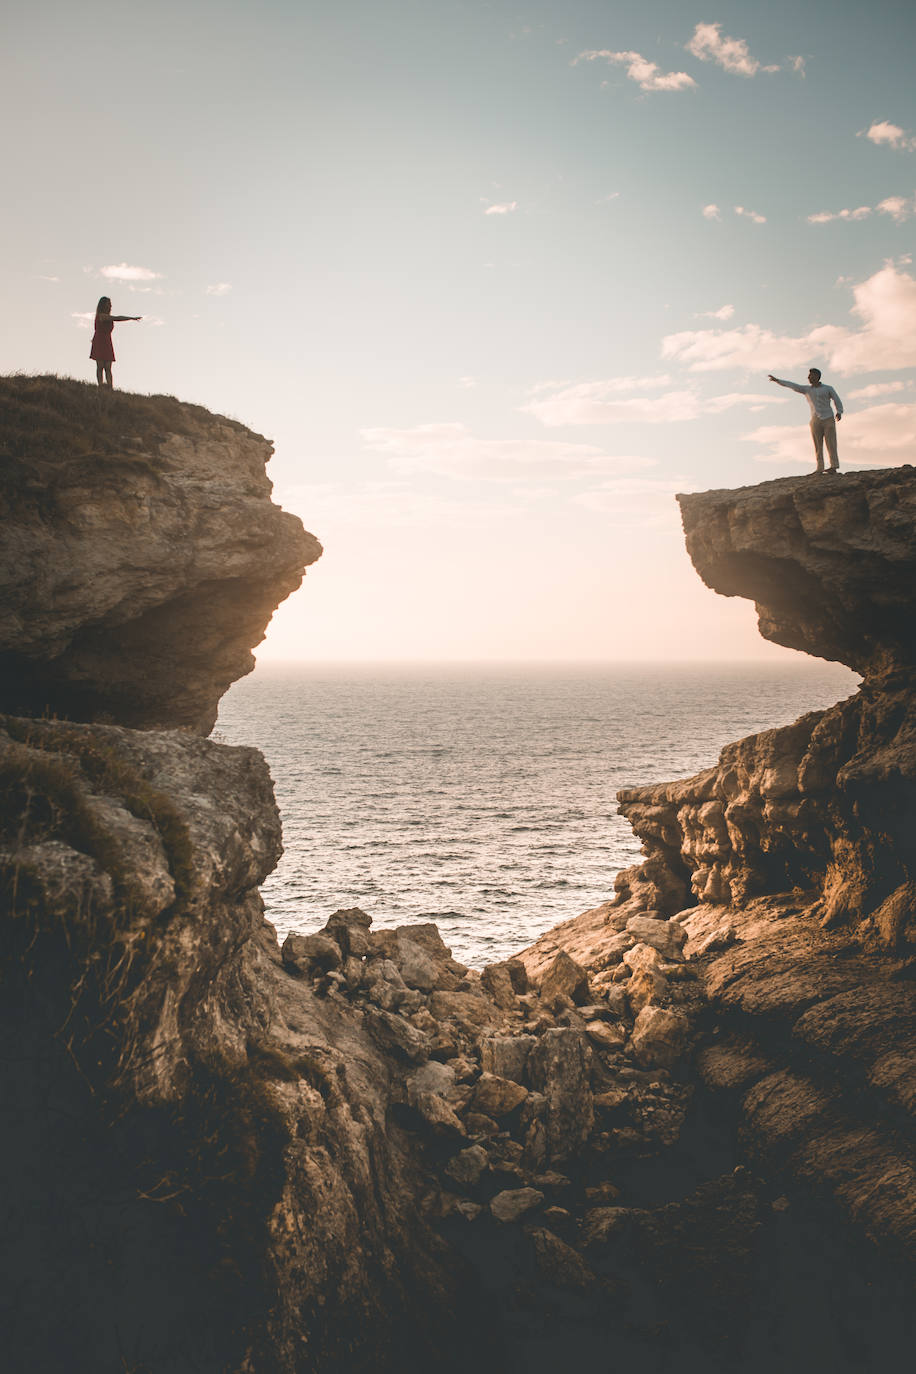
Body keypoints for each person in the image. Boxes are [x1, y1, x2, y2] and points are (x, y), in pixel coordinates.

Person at [768, 368, 843, 474]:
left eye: (810, 375)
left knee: (831, 442)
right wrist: (777, 381)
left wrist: (839, 411)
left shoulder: (828, 388)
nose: (808, 377)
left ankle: (834, 466)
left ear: (816, 376)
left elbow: (836, 399)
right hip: (815, 419)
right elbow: (792, 385)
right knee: (817, 444)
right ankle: (820, 467)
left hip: (828, 418)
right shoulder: (807, 389)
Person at [90, 297, 142, 388]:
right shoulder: (101, 316)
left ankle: (110, 386)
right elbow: (117, 318)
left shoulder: (106, 316)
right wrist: (131, 318)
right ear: (103, 305)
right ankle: (101, 385)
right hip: (100, 341)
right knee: (100, 366)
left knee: (108, 367)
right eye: (108, 303)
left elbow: (116, 318)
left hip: (107, 341)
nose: (110, 305)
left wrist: (131, 318)